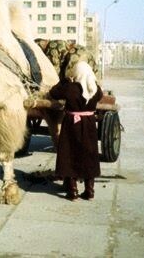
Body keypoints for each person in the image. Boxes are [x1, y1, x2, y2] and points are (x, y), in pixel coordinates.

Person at [49, 60, 102, 201]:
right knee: (89, 155)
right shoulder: (95, 89)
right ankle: (89, 191)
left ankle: (73, 192)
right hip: (89, 125)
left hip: (72, 125)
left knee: (69, 154)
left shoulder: (70, 88)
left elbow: (53, 93)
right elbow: (100, 96)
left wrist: (65, 81)